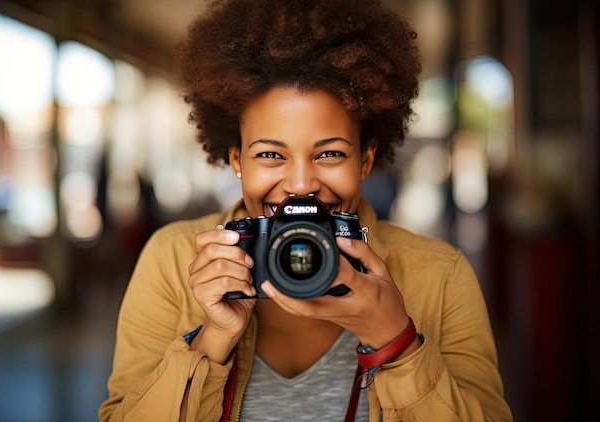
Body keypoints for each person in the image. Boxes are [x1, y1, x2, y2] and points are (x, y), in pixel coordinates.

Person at [99, 0, 512, 420]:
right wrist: (214, 338)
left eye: (330, 153)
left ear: (365, 160)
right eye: (270, 156)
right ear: (237, 160)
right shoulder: (172, 260)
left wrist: (393, 338)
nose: (300, 185)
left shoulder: (440, 276)